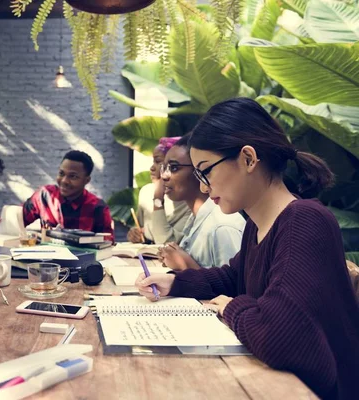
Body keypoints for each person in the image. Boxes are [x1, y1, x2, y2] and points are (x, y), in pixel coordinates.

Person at [136, 98, 359, 400]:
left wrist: (231, 307)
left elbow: (280, 336)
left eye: (206, 172)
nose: (204, 187)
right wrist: (175, 282)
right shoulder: (258, 224)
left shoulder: (304, 221)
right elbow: (234, 277)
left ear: (249, 159)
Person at [158, 135, 245, 269]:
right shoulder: (197, 217)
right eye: (164, 168)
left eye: (174, 167)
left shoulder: (222, 227)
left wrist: (185, 265)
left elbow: (235, 288)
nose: (164, 176)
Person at [23, 150, 114, 242]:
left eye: (73, 176)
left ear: (86, 180)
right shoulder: (44, 196)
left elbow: (107, 242)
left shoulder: (98, 208)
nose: (64, 181)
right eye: (61, 174)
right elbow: (16, 221)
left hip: (82, 256)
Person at [127, 137, 191, 244]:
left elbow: (166, 242)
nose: (152, 168)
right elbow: (140, 227)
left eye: (158, 161)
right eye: (154, 161)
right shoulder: (146, 192)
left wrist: (158, 198)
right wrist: (135, 234)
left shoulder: (189, 200)